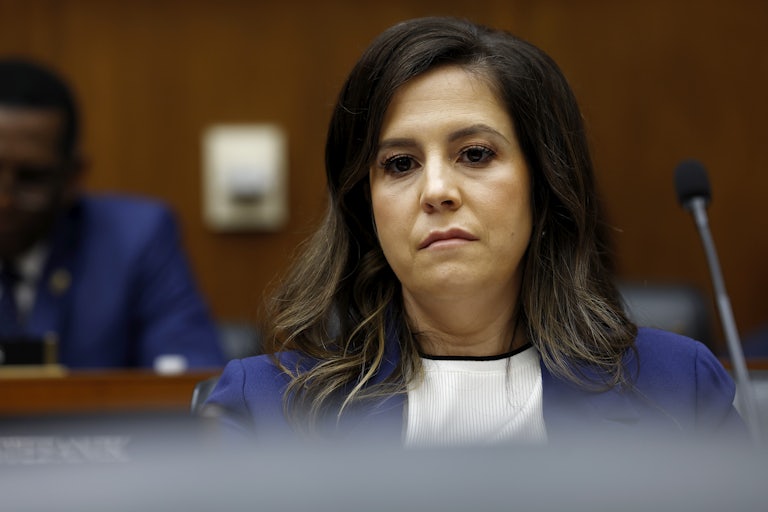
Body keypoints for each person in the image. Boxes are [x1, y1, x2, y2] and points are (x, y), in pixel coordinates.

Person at [203, 17, 744, 445]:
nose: (437, 190)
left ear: (543, 183)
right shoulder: (265, 406)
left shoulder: (678, 388)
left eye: (475, 154)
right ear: (365, 206)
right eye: (398, 164)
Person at [0, 58, 225, 369]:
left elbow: (189, 375)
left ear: (72, 178)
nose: (5, 201)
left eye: (31, 178)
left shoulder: (135, 237)